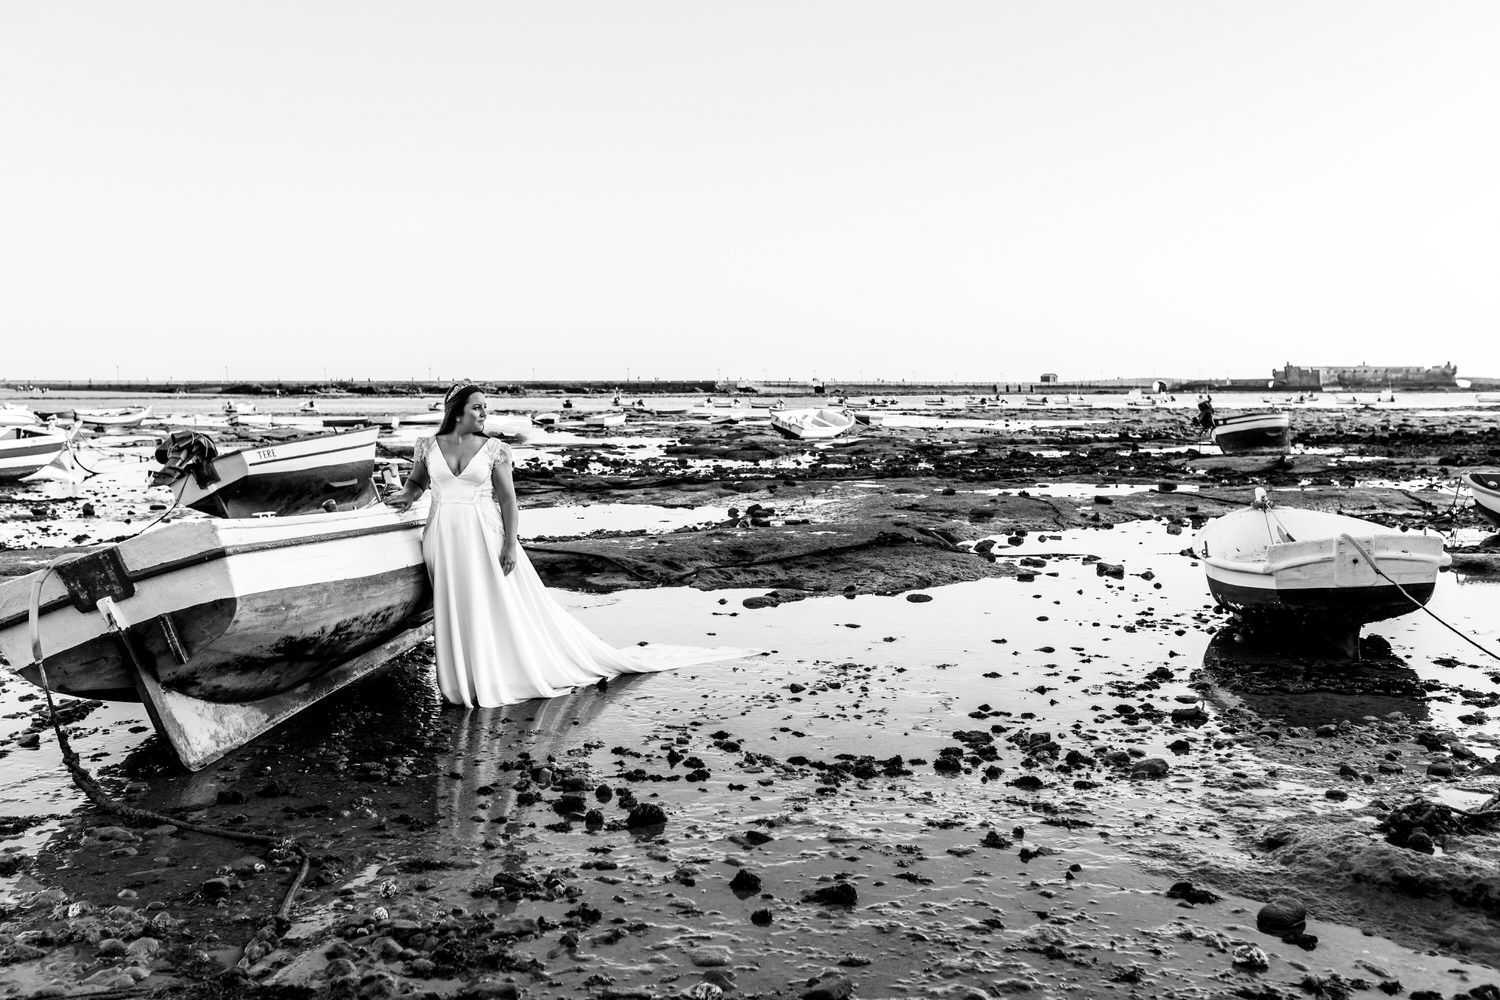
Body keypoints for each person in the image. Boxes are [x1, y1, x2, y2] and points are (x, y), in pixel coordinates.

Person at [385, 381, 741, 707]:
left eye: (486, 407)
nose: (484, 413)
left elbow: (508, 500)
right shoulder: (428, 446)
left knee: (489, 605)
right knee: (454, 607)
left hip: (484, 536)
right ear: (457, 412)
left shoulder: (494, 449)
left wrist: (510, 544)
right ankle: (460, 682)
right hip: (441, 538)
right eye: (477, 407)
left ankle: (492, 676)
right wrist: (405, 496)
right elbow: (417, 484)